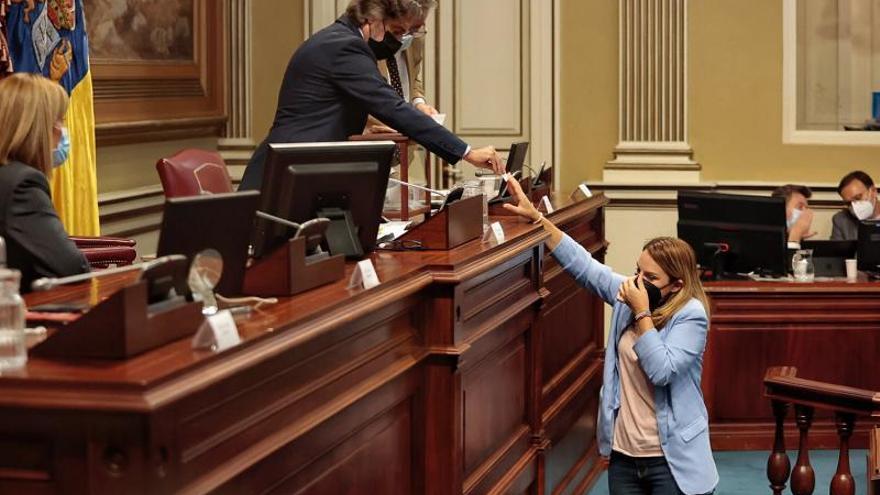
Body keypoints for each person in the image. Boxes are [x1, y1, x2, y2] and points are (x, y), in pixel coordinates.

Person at [502, 177, 718, 495]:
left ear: (677, 285)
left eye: (651, 277)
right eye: (637, 271)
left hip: (670, 460)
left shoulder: (691, 315)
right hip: (624, 456)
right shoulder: (628, 298)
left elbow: (661, 371)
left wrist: (643, 313)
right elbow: (585, 266)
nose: (638, 282)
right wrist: (539, 221)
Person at [240, 0, 504, 191]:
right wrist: (467, 152)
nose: (400, 42)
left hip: (302, 173)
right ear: (373, 21)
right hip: (283, 178)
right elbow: (394, 108)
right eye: (397, 31)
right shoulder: (345, 47)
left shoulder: (340, 41)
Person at [0, 73, 89, 291]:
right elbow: (72, 268)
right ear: (37, 127)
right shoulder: (22, 184)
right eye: (59, 120)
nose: (62, 131)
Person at [831, 170, 880, 241]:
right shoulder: (841, 220)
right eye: (849, 203)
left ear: (874, 191)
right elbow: (835, 251)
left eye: (858, 198)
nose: (854, 206)